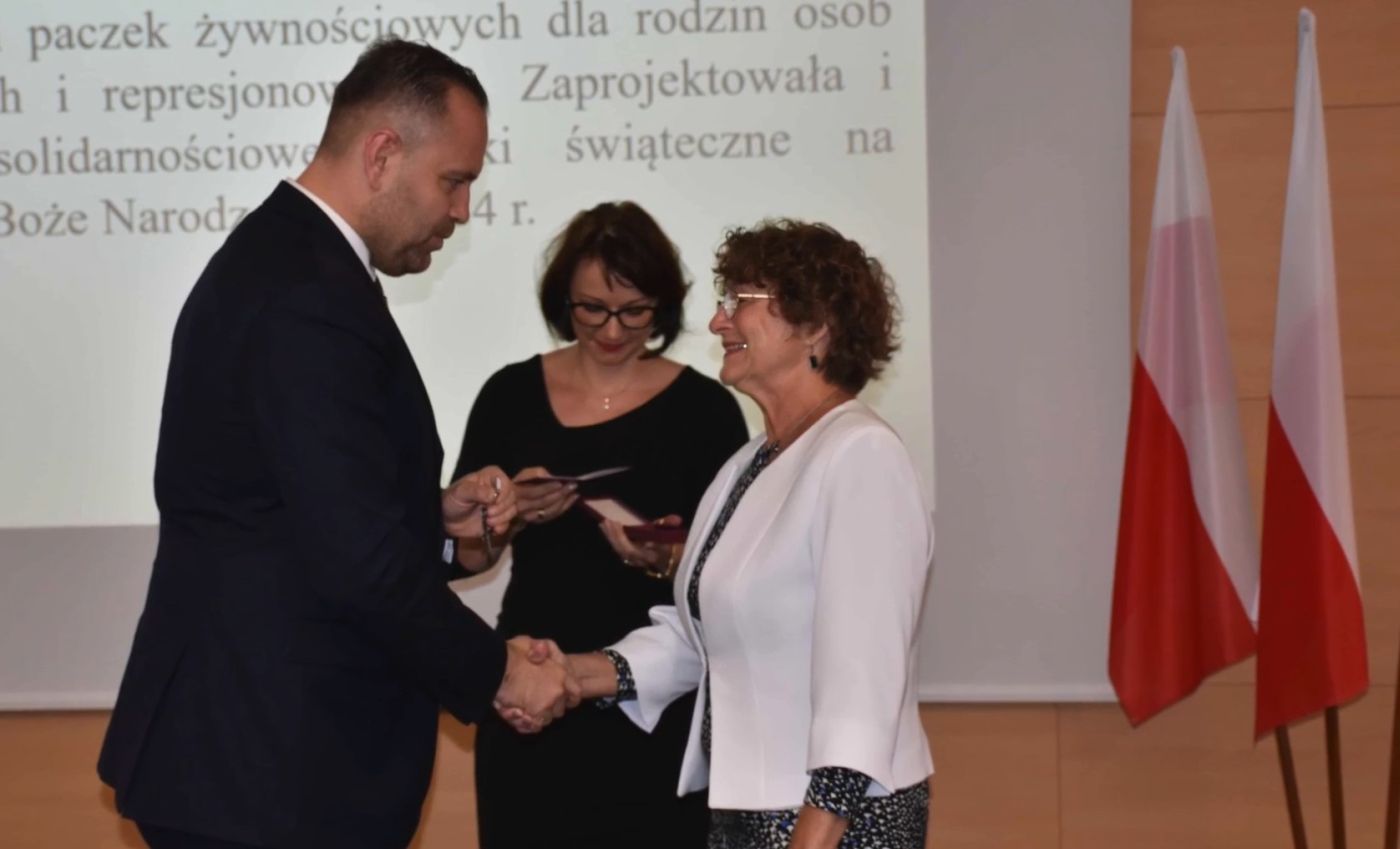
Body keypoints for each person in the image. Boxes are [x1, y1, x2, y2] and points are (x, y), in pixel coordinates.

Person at [97, 39, 574, 849]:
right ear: (382, 154)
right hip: (266, 771)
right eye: (453, 181)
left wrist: (431, 522)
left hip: (258, 765)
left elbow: (294, 510)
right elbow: (357, 558)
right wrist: (499, 672)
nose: (462, 211)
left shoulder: (294, 263)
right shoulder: (306, 292)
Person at [512, 220, 935, 849]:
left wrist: (814, 833)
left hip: (834, 819)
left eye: (741, 302)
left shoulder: (861, 455)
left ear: (815, 326)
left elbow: (865, 681)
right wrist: (572, 674)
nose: (717, 322)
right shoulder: (751, 461)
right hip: (751, 808)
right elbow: (701, 637)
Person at [452, 201, 749, 849]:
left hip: (657, 698)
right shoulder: (509, 395)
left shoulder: (706, 409)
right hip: (529, 681)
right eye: (592, 309)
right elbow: (464, 553)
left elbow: (733, 571)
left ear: (662, 305)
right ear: (564, 301)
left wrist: (667, 555)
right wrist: (506, 517)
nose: (613, 330)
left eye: (634, 310)